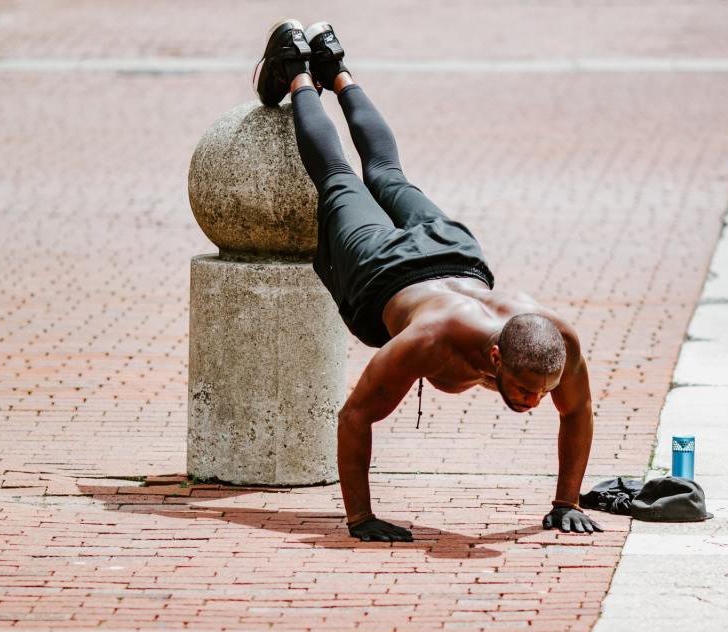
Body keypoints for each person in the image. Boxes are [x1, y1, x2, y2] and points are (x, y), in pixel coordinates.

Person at [253, 20, 603, 542]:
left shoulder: (558, 341)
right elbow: (354, 417)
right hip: (382, 267)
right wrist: (360, 518)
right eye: (528, 393)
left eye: (540, 393)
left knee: (389, 174)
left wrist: (565, 502)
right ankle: (298, 68)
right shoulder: (426, 341)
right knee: (339, 177)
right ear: (495, 358)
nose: (534, 403)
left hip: (455, 254)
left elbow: (577, 410)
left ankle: (337, 66)